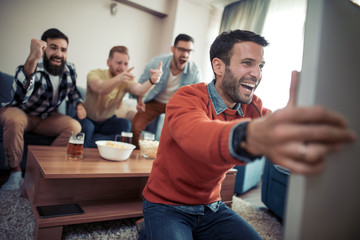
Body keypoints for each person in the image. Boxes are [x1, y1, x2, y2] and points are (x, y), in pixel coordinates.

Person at [139, 30, 356, 239]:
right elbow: (196, 134)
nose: (257, 74)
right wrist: (248, 135)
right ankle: (150, 228)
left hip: (211, 207)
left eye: (260, 66)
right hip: (166, 205)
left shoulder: (254, 107)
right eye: (247, 63)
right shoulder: (186, 97)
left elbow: (277, 126)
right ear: (218, 66)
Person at [0, 28, 86, 190]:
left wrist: (78, 104)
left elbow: (73, 91)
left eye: (63, 50)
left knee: (75, 126)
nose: (59, 54)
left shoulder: (70, 69)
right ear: (43, 48)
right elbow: (20, 96)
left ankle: (41, 168)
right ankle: (15, 173)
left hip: (47, 117)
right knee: (13, 118)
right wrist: (32, 58)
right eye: (53, 47)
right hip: (21, 112)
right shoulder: (32, 68)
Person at [79, 46, 162, 148]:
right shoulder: (94, 73)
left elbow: (140, 90)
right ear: (108, 62)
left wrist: (153, 81)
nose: (122, 68)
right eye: (119, 63)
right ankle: (93, 147)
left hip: (107, 121)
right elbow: (101, 89)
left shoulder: (125, 80)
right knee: (87, 127)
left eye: (125, 64)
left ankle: (102, 146)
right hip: (87, 118)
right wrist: (119, 78)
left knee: (125, 125)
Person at [131, 34, 202, 148]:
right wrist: (140, 100)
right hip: (154, 102)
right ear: (173, 49)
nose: (185, 54)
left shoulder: (195, 72)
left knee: (178, 134)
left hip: (176, 106)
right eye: (181, 49)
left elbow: (198, 98)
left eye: (189, 51)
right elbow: (140, 84)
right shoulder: (157, 62)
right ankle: (139, 153)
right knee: (135, 126)